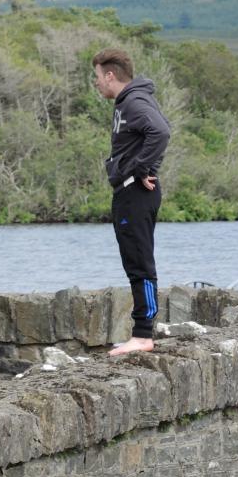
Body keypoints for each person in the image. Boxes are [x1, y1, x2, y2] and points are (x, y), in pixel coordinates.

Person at [92, 48, 170, 356]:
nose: (96, 83)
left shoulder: (135, 102)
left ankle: (142, 335)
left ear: (110, 75)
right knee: (134, 261)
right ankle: (141, 333)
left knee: (139, 263)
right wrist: (144, 167)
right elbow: (152, 135)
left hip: (134, 194)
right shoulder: (130, 101)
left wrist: (141, 169)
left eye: (97, 76)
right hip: (130, 192)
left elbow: (161, 132)